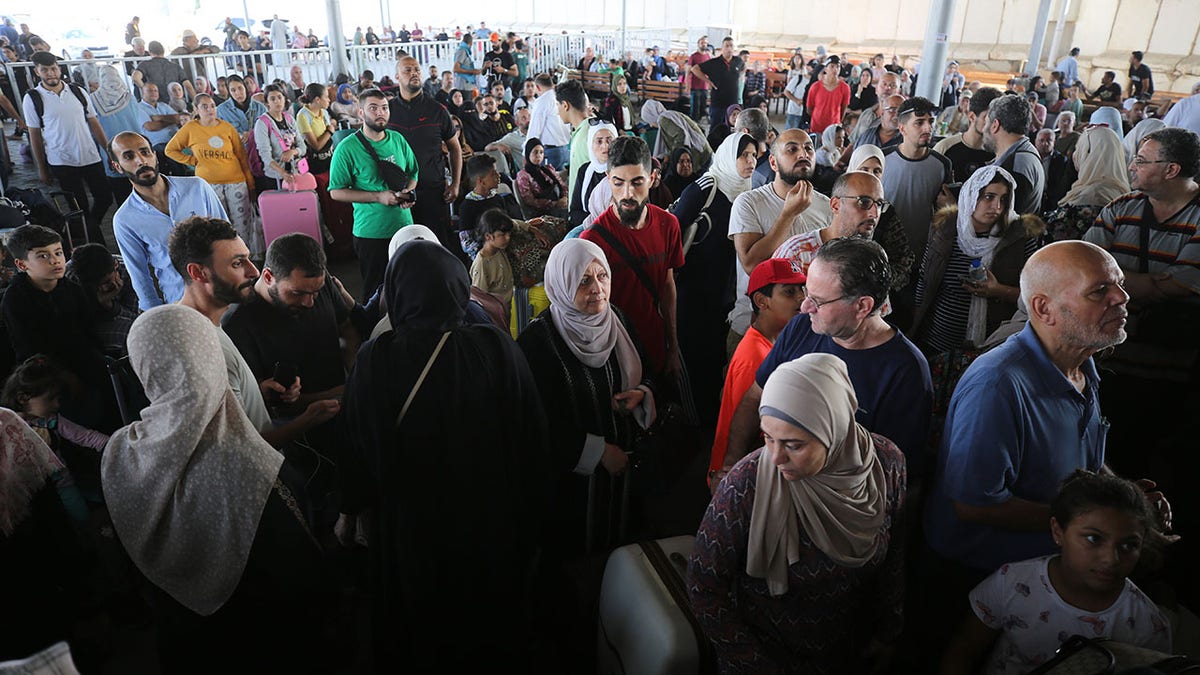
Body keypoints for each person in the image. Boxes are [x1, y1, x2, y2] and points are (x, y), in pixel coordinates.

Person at [339, 239, 550, 671]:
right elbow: (530, 435)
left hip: (411, 526)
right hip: (488, 515)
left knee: (420, 620)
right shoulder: (496, 349)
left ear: (395, 291)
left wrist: (350, 507)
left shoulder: (377, 359)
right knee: (485, 611)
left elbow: (356, 445)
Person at [101, 305, 336, 674]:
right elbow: (300, 575)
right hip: (261, 644)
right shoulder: (248, 463)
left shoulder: (119, 453)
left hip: (186, 640)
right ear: (211, 359)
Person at [688, 353, 906, 673]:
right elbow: (704, 588)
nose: (775, 458)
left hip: (849, 651)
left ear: (834, 431)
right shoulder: (745, 485)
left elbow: (894, 557)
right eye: (767, 437)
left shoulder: (885, 465)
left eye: (793, 445)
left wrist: (889, 631)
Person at [720, 238, 932, 485]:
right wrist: (731, 465)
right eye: (806, 292)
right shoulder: (801, 327)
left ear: (863, 306)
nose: (805, 306)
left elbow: (893, 471)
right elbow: (754, 397)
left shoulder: (906, 372)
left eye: (818, 301)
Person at [943, 471, 1171, 674]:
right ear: (1058, 531)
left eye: (1129, 545)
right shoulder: (1012, 582)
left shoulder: (1148, 626)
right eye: (1093, 539)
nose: (1111, 559)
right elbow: (963, 652)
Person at [517, 238, 654, 550]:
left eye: (602, 276)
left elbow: (649, 372)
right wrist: (598, 452)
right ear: (561, 283)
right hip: (570, 483)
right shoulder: (536, 343)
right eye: (583, 280)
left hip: (626, 473)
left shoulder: (617, 320)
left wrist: (642, 393)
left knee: (625, 553)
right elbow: (534, 420)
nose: (597, 288)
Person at [673, 132, 759, 424]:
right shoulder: (707, 187)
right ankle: (691, 427)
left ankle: (709, 422)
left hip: (721, 299)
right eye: (743, 155)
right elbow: (673, 230)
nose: (750, 161)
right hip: (691, 294)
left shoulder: (745, 194)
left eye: (753, 155)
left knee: (713, 361)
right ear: (727, 155)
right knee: (691, 361)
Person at [581, 136, 685, 377]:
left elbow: (668, 286)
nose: (627, 193)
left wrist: (673, 347)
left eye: (637, 182)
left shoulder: (668, 225)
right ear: (608, 180)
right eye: (618, 183)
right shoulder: (592, 241)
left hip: (655, 345)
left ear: (651, 179)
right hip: (612, 355)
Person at [911, 166, 1043, 355]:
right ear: (971, 195)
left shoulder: (1020, 238)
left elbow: (1035, 296)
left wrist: (998, 290)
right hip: (938, 340)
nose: (997, 206)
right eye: (989, 197)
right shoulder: (947, 229)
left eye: (1004, 199)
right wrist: (915, 328)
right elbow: (925, 280)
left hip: (992, 347)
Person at [727, 129, 832, 350]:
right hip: (754, 330)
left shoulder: (825, 205)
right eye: (792, 149)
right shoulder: (748, 203)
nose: (803, 154)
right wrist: (789, 213)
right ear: (773, 163)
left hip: (808, 329)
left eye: (808, 148)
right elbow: (751, 265)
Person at [708, 258, 806, 484]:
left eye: (802, 289)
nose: (801, 298)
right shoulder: (755, 356)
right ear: (762, 301)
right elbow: (749, 428)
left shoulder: (774, 342)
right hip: (738, 474)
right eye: (789, 292)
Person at [329, 89, 419, 295]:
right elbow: (336, 192)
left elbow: (413, 173)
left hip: (404, 227)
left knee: (409, 287)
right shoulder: (347, 148)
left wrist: (408, 193)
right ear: (360, 113)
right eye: (373, 108)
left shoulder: (397, 139)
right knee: (377, 292)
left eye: (385, 108)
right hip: (371, 233)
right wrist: (378, 197)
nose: (381, 113)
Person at [23, 52, 110, 244]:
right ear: (37, 72)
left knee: (105, 197)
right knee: (80, 206)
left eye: (53, 68)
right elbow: (34, 135)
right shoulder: (33, 98)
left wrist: (108, 151)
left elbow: (94, 123)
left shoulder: (77, 92)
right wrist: (42, 168)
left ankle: (88, 229)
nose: (50, 73)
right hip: (61, 160)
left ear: (59, 69)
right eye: (44, 70)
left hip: (90, 156)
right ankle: (97, 245)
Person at [165, 93, 261, 259]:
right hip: (209, 184)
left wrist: (250, 183)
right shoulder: (190, 129)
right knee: (218, 224)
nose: (210, 109)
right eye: (204, 106)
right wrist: (191, 160)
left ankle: (244, 258)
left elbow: (242, 157)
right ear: (196, 109)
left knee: (242, 224)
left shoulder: (227, 128)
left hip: (236, 181)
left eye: (212, 106)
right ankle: (226, 259)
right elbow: (170, 150)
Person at [389, 56, 465, 254]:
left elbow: (455, 148)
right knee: (404, 249)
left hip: (433, 189)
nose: (414, 73)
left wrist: (455, 183)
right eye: (407, 70)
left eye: (416, 69)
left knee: (437, 246)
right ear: (397, 76)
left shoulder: (437, 110)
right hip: (399, 194)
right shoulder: (388, 111)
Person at [847, 145, 918, 297]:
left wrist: (876, 281)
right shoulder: (835, 204)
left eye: (877, 171)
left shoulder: (886, 212)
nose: (871, 176)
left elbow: (903, 259)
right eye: (864, 169)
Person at [1043, 126, 1129, 242]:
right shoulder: (1125, 195)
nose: (1075, 155)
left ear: (1089, 154)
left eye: (1079, 148)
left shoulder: (1088, 198)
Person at [67, 243, 139, 356]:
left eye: (106, 282)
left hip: (116, 320)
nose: (103, 288)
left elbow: (135, 317)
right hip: (83, 325)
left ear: (115, 265)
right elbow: (73, 320)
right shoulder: (71, 276)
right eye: (94, 286)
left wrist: (107, 303)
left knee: (133, 334)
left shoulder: (129, 272)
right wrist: (94, 303)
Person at [984, 94, 1044, 215]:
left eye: (986, 123)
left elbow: (1000, 220)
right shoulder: (1025, 153)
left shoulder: (1017, 164)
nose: (983, 129)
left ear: (995, 125)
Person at [252, 83, 306, 190]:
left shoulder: (289, 118)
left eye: (280, 97)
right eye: (272, 99)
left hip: (295, 171)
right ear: (267, 103)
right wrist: (283, 173)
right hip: (276, 177)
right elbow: (265, 156)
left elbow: (303, 147)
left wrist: (293, 152)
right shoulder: (262, 123)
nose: (277, 101)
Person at [641, 99, 712, 170]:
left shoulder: (664, 120)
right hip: (703, 152)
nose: (651, 125)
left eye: (649, 120)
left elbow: (681, 136)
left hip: (700, 156)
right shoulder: (669, 115)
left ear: (652, 115)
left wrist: (669, 156)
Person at [569, 122, 617, 226]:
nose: (605, 146)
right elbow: (574, 212)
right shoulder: (584, 171)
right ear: (591, 145)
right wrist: (595, 224)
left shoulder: (624, 171)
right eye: (599, 141)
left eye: (610, 140)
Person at [692, 36, 745, 128]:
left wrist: (739, 77)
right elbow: (695, 69)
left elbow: (744, 67)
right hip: (718, 102)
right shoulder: (714, 63)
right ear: (722, 48)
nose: (729, 48)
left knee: (732, 128)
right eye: (726, 46)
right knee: (716, 127)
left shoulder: (738, 61)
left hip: (733, 102)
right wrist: (708, 81)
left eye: (731, 46)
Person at [469, 208, 516, 308]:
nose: (508, 238)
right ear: (488, 236)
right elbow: (480, 299)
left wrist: (530, 227)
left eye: (509, 234)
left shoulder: (499, 250)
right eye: (502, 235)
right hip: (494, 314)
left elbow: (516, 224)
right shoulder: (482, 264)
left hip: (508, 308)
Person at [516, 137, 568, 217]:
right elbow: (530, 201)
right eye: (535, 152)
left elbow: (562, 185)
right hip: (542, 213)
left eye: (541, 152)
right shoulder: (523, 175)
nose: (539, 156)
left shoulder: (548, 169)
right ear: (528, 153)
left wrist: (564, 198)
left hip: (561, 205)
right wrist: (554, 204)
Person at [215, 74, 267, 143]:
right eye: (233, 90)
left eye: (240, 88)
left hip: (258, 150)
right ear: (229, 92)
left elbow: (268, 129)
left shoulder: (260, 108)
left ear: (245, 88)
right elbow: (219, 134)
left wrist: (252, 134)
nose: (238, 93)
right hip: (235, 151)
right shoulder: (221, 111)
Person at [806, 60, 851, 135]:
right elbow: (809, 108)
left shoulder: (845, 87)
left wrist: (838, 121)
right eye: (832, 66)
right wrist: (818, 116)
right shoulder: (815, 86)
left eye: (838, 67)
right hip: (817, 127)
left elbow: (844, 108)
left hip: (834, 127)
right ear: (826, 69)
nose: (835, 69)